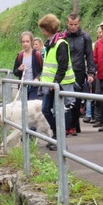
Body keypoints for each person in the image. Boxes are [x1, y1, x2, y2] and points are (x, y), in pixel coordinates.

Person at [38, 14, 75, 151]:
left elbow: (62, 66)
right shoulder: (50, 43)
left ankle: (60, 140)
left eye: (43, 29)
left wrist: (56, 82)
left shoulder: (60, 44)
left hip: (59, 84)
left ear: (49, 29)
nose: (42, 32)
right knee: (45, 110)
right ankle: (56, 135)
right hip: (50, 84)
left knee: (57, 112)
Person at [64, 13, 95, 135]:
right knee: (66, 99)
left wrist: (91, 73)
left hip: (79, 71)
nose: (73, 27)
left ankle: (74, 126)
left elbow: (89, 56)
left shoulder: (85, 37)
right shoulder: (63, 37)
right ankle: (67, 125)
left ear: (79, 24)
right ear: (67, 24)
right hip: (66, 72)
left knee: (76, 100)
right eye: (71, 24)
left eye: (75, 24)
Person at [12, 31, 43, 100]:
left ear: (31, 42)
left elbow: (43, 70)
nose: (25, 44)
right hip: (23, 87)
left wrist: (37, 78)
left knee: (32, 108)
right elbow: (15, 72)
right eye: (23, 42)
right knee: (23, 108)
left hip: (34, 88)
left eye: (27, 41)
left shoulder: (37, 55)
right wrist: (19, 69)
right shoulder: (20, 56)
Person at [83, 26, 102, 124]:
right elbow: (91, 58)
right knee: (92, 95)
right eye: (99, 32)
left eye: (102, 31)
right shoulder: (94, 45)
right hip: (95, 74)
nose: (101, 33)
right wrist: (91, 72)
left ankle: (96, 116)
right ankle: (91, 115)